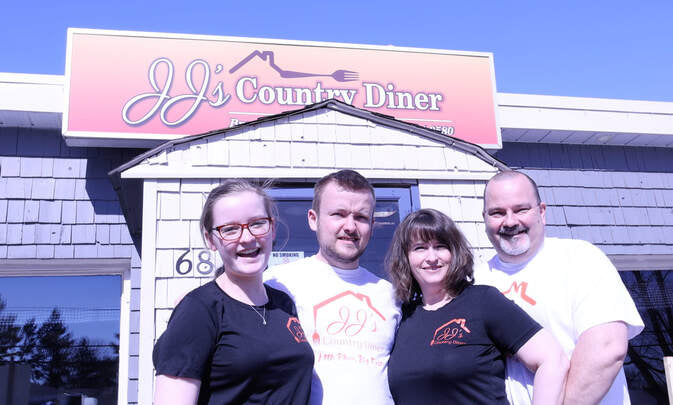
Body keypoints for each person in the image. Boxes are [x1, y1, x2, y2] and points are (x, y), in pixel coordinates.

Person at [476, 170, 644, 405]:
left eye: (521, 209)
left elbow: (607, 349)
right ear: (484, 218)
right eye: (497, 213)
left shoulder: (579, 259)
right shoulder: (476, 281)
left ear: (541, 212)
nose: (510, 221)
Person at [152, 180, 314, 405]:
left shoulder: (283, 304)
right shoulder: (198, 310)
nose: (247, 238)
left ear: (272, 227)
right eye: (230, 229)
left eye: (257, 223)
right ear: (211, 240)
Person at [386, 208, 568, 404]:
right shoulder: (401, 316)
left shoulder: (482, 301)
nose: (431, 257)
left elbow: (552, 360)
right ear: (406, 258)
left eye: (440, 246)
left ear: (454, 252)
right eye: (420, 248)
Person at [264, 169, 401, 405]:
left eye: (360, 217)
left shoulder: (391, 295)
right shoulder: (276, 284)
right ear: (313, 219)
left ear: (372, 224)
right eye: (338, 214)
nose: (350, 226)